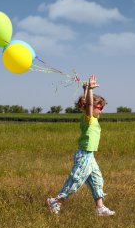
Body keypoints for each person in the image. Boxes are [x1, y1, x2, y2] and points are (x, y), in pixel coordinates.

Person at [47, 75, 115, 216]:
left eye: (103, 107)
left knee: (97, 180)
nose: (101, 110)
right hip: (84, 154)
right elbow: (88, 104)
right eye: (99, 107)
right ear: (92, 107)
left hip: (90, 155)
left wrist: (85, 89)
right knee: (76, 180)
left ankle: (100, 208)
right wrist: (89, 89)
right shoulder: (88, 118)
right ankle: (56, 201)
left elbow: (86, 102)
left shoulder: (93, 119)